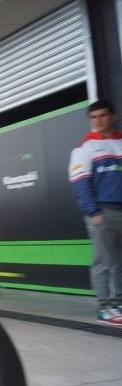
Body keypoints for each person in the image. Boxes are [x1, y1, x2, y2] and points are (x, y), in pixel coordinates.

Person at [68, 99, 122, 326]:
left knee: (119, 261)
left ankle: (118, 302)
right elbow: (79, 182)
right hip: (102, 211)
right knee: (103, 260)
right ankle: (104, 306)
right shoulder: (85, 148)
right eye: (94, 117)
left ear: (113, 116)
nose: (98, 120)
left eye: (103, 115)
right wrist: (93, 212)